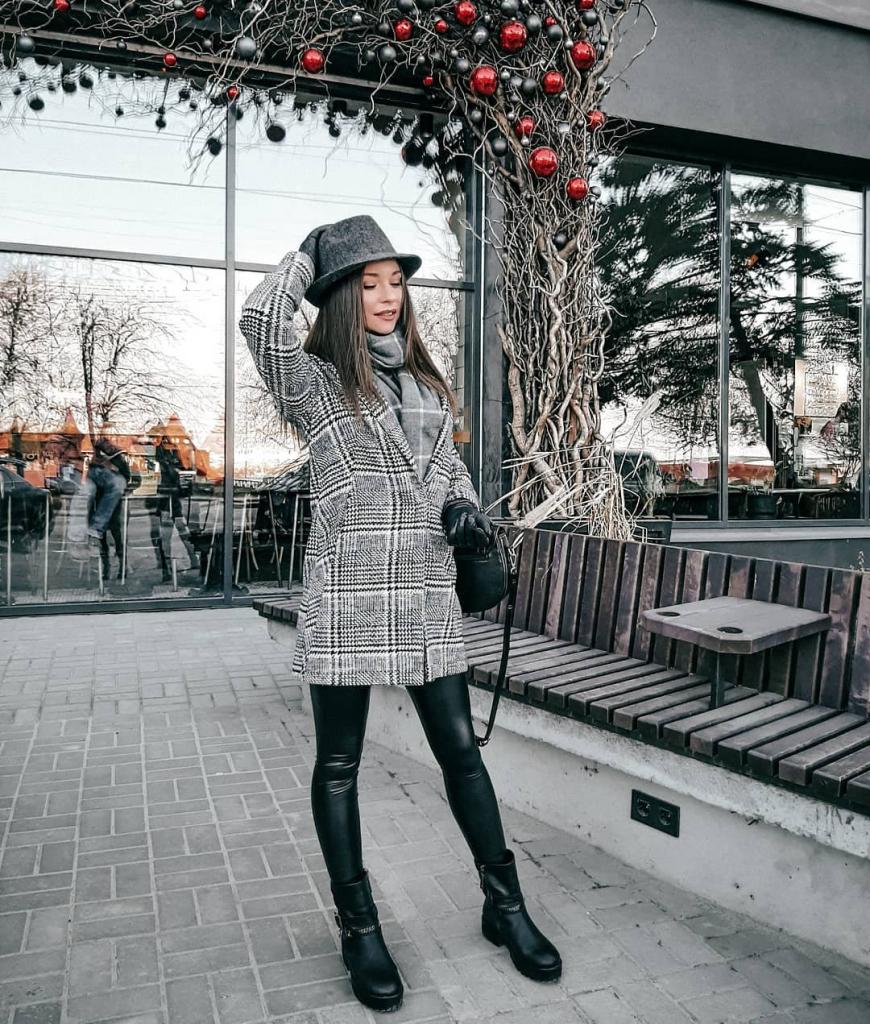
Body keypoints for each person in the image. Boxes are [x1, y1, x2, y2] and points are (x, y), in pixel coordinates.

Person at [240, 215, 561, 1014]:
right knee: (339, 764)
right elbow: (258, 319)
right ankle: (359, 929)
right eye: (368, 283)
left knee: (462, 753)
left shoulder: (425, 384)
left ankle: (505, 906)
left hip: (423, 593)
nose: (387, 296)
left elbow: (449, 471)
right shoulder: (313, 381)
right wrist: (310, 254)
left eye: (395, 282)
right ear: (339, 296)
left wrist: (461, 510)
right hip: (349, 596)